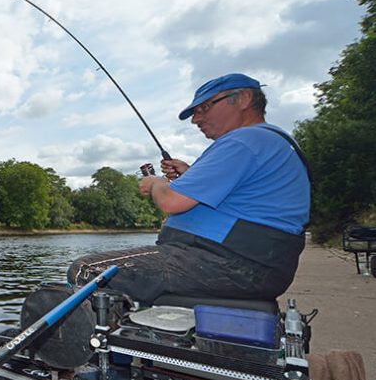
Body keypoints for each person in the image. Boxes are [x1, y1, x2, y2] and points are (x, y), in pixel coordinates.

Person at [67, 73, 311, 305]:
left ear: (244, 99)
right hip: (252, 264)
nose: (196, 119)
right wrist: (192, 174)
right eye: (195, 112)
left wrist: (156, 183)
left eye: (205, 108)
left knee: (88, 271)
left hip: (234, 264)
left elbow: (171, 202)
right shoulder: (267, 141)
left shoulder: (245, 140)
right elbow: (241, 199)